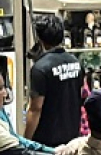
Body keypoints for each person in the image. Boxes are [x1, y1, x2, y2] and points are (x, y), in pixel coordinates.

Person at [25, 14, 83, 147]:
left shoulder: (40, 68)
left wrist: (26, 141)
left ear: (39, 38)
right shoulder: (75, 62)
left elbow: (35, 109)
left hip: (47, 140)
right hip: (72, 136)